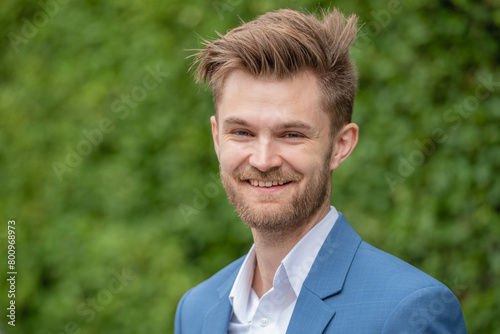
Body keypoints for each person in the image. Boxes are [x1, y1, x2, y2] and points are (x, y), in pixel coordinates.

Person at [175, 8, 467, 333]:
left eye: (292, 134)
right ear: (217, 138)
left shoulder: (410, 310)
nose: (263, 159)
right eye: (241, 132)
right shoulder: (194, 311)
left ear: (340, 145)